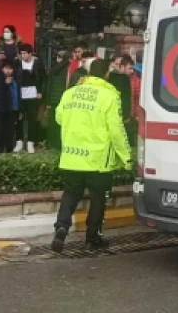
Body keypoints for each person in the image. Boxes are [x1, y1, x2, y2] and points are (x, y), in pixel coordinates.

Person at [51, 58, 132, 252]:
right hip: (98, 159)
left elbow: (59, 117)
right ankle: (91, 240)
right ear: (106, 74)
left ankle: (61, 227)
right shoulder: (109, 96)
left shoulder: (70, 93)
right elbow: (116, 130)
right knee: (98, 199)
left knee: (71, 193)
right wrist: (126, 157)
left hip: (72, 155)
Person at [16, 43, 45, 153]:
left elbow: (43, 78)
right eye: (21, 53)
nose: (22, 55)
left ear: (30, 53)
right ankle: (19, 141)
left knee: (32, 119)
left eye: (24, 53)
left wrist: (41, 91)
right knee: (19, 118)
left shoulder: (37, 63)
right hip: (20, 93)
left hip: (33, 94)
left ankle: (30, 142)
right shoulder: (18, 63)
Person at [43, 49, 70, 150]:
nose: (57, 59)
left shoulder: (53, 69)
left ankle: (51, 143)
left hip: (53, 99)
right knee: (61, 123)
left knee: (52, 122)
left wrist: (48, 100)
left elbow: (49, 85)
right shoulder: (68, 69)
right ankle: (59, 144)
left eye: (59, 57)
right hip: (63, 98)